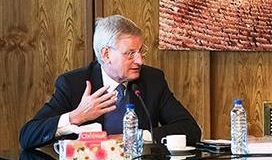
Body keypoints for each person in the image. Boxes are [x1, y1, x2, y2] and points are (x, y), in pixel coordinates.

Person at [19, 15, 201, 150]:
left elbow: (190, 129)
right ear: (106, 54)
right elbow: (27, 136)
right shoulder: (74, 84)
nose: (140, 61)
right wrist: (76, 116)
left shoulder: (152, 80)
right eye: (130, 53)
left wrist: (135, 137)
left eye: (140, 51)